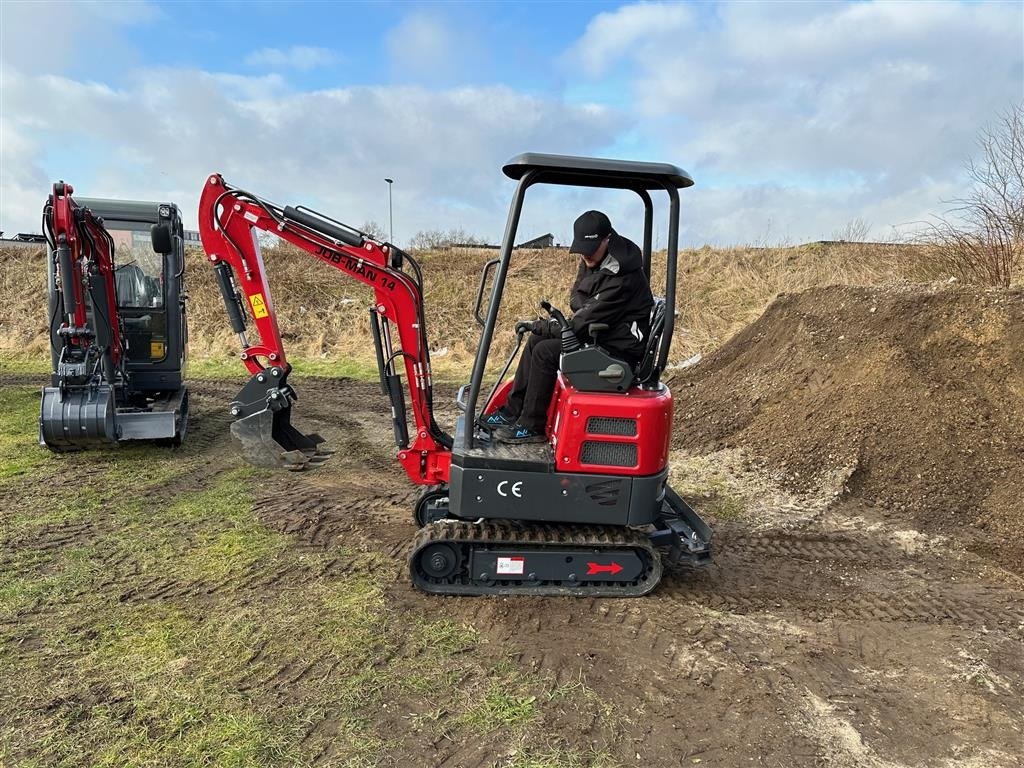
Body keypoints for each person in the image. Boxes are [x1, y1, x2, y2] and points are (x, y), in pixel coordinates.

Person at [481, 210, 654, 444]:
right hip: (603, 333)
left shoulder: (622, 277)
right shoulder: (596, 260)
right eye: (582, 249)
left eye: (590, 249)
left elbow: (580, 325)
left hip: (619, 347)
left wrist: (540, 325)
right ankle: (512, 413)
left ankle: (531, 426)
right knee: (535, 343)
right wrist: (584, 310)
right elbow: (577, 297)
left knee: (545, 351)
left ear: (607, 239)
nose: (585, 256)